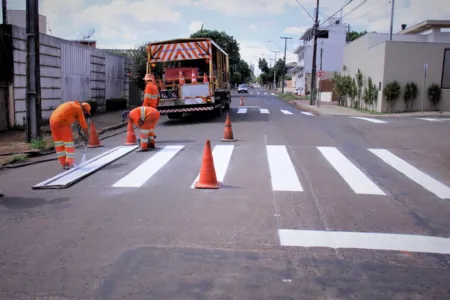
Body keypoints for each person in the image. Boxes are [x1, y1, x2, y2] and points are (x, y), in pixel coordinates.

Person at [49, 101, 91, 170]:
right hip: (62, 122)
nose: (85, 114)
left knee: (59, 143)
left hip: (52, 120)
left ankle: (63, 163)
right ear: (84, 109)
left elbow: (79, 126)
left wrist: (82, 136)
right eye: (86, 113)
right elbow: (84, 126)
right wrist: (88, 138)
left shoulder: (73, 105)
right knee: (69, 143)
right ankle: (69, 163)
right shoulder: (79, 109)